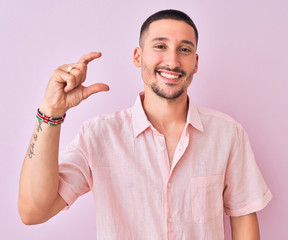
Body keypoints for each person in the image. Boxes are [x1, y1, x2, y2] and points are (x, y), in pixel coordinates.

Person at [19, 9, 272, 240]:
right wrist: (52, 111)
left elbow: (244, 220)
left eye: (184, 50)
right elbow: (33, 212)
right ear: (138, 56)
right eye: (160, 46)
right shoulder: (99, 135)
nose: (172, 61)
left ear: (195, 63)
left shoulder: (227, 134)